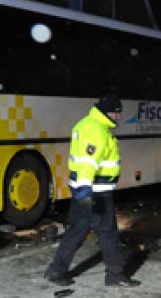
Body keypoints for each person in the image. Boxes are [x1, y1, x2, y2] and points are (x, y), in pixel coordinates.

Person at [44, 93, 141, 287]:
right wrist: (86, 190)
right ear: (107, 112)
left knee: (78, 230)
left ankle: (56, 271)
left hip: (85, 190)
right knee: (108, 233)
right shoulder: (97, 130)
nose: (119, 117)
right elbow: (87, 163)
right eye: (116, 113)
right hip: (96, 192)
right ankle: (115, 275)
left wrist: (82, 190)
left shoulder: (87, 124)